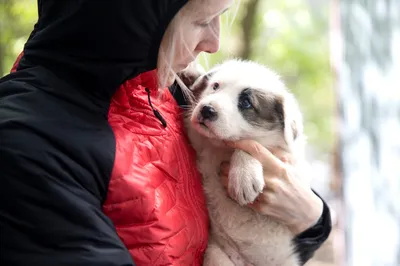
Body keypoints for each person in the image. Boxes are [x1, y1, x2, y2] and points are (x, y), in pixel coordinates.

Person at [0, 0, 332, 265]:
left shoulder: (168, 92)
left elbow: (249, 239)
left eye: (221, 18)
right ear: (134, 25)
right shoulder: (29, 144)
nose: (214, 43)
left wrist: (311, 219)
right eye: (202, 21)